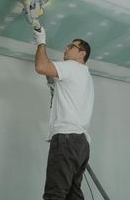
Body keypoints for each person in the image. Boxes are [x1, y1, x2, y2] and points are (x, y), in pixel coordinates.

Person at [33, 26, 94, 200]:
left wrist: (41, 40)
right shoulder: (85, 76)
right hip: (81, 143)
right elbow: (53, 80)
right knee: (73, 195)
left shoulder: (73, 67)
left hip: (67, 139)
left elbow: (41, 66)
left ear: (82, 54)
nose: (65, 49)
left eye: (71, 46)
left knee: (55, 194)